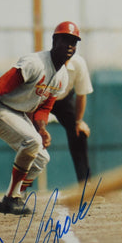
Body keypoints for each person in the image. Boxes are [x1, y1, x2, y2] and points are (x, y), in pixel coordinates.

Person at [0, 21, 81, 215]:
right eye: (65, 39)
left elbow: (44, 107)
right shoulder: (35, 63)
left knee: (41, 159)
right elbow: (0, 85)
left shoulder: (62, 77)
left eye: (74, 41)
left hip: (17, 113)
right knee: (32, 142)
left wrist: (42, 128)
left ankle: (11, 198)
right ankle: (12, 199)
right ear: (54, 40)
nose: (70, 45)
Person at [50, 48, 93, 183]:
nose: (67, 47)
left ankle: (86, 185)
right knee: (30, 139)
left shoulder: (79, 63)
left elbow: (81, 95)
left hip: (64, 101)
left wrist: (79, 121)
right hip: (40, 100)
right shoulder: (43, 63)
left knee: (79, 133)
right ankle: (19, 191)